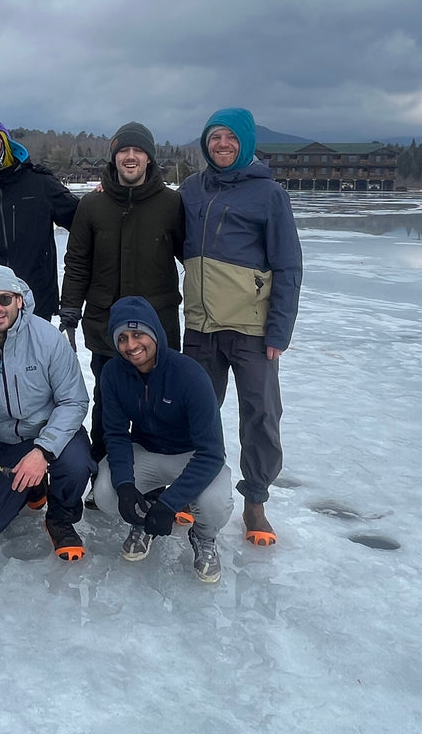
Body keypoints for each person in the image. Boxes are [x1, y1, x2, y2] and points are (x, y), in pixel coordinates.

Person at [179, 107, 303, 546]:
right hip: (200, 326)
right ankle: (190, 489)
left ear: (245, 142)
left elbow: (288, 266)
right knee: (194, 412)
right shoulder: (192, 188)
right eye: (214, 137)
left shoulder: (269, 194)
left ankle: (255, 500)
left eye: (231, 137)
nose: (222, 145)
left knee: (261, 415)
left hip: (251, 328)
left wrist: (279, 332)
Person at [59, 121, 185, 464]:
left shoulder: (171, 204)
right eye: (123, 151)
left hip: (158, 324)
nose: (130, 157)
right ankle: (103, 467)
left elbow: (195, 258)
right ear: (114, 159)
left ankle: (153, 473)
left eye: (138, 151)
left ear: (149, 158)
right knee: (109, 398)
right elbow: (77, 264)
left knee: (156, 401)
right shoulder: (92, 206)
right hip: (104, 325)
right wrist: (70, 311)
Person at [0, 263, 94, 560]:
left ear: (19, 299)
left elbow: (74, 401)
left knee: (77, 462)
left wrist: (43, 451)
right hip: (4, 442)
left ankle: (60, 518)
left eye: (5, 298)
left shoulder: (49, 339)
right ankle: (32, 486)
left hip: (51, 434)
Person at [92, 296, 233, 583]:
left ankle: (204, 537)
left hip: (192, 457)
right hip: (146, 452)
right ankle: (142, 521)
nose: (131, 345)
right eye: (122, 338)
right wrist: (127, 486)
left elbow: (211, 453)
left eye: (138, 334)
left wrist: (170, 504)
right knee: (106, 494)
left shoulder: (190, 375)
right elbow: (117, 435)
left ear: (155, 333)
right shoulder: (113, 374)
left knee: (214, 505)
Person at [0, 118, 79, 321]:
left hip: (37, 301)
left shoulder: (40, 184)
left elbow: (83, 222)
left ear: (6, 144)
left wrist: (101, 199)